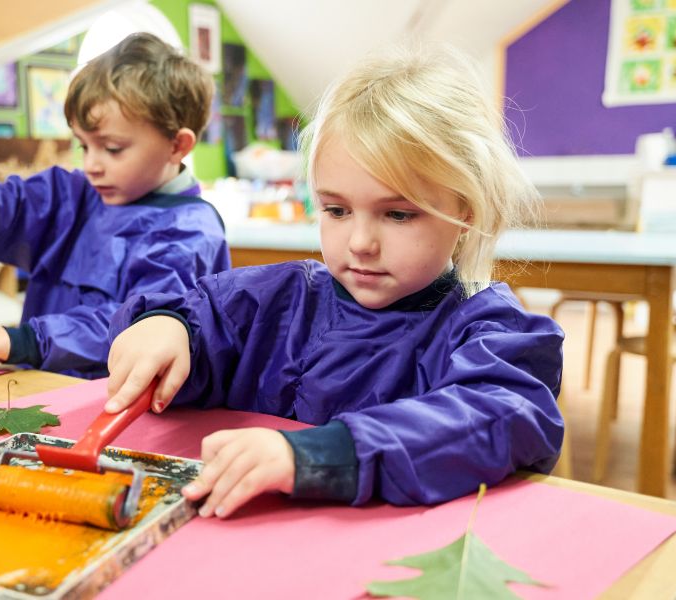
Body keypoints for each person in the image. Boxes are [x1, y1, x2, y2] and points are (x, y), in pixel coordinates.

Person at [104, 43, 565, 517]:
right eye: (337, 210)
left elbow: (501, 416)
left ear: (465, 211)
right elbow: (202, 318)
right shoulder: (276, 300)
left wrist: (309, 457)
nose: (360, 242)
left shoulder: (492, 333)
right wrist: (167, 325)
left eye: (399, 214)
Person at [0, 33, 230, 378]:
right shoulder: (75, 195)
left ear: (177, 146)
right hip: (48, 391)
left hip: (122, 411)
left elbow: (140, 325)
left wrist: (27, 341)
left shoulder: (188, 232)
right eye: (84, 145)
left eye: (112, 148)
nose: (92, 164)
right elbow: (8, 203)